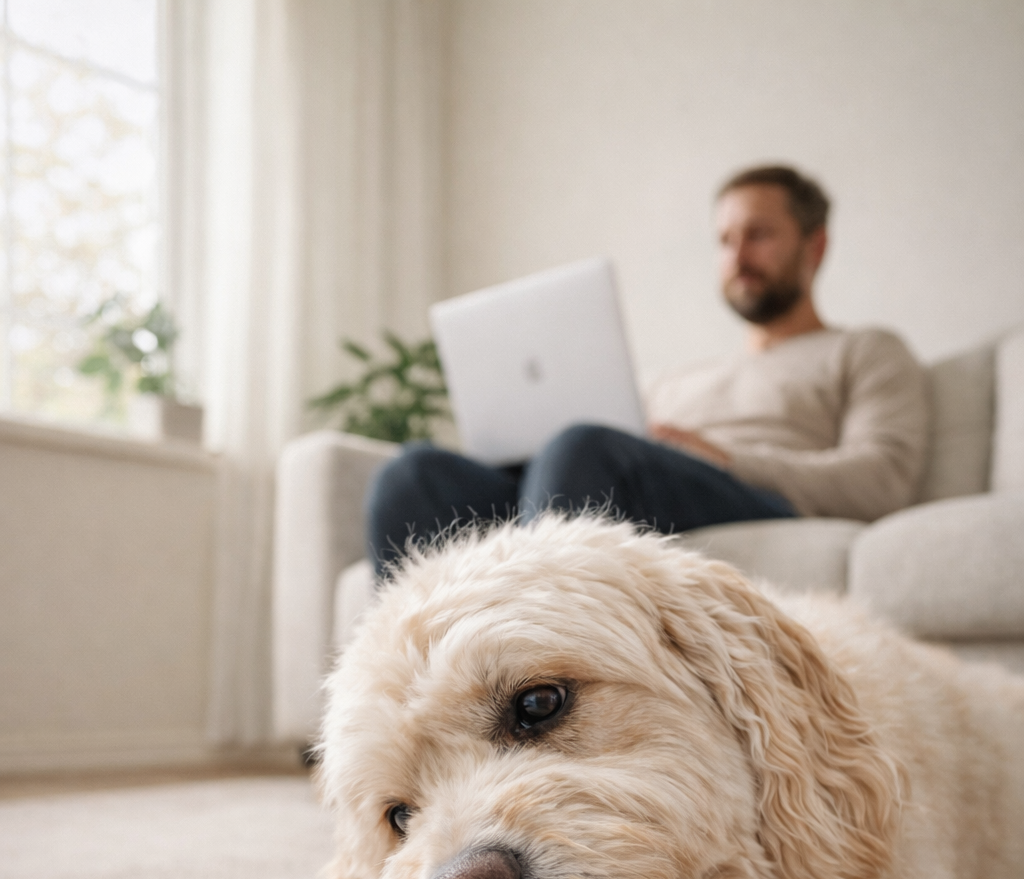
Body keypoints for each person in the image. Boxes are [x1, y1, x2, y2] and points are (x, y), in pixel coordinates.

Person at [365, 164, 928, 576]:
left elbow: (879, 482)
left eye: (759, 235)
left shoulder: (864, 349)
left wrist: (723, 456)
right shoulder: (672, 380)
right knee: (414, 475)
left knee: (583, 448)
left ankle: (539, 663)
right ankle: (400, 711)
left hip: (750, 495)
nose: (737, 256)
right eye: (725, 240)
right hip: (608, 481)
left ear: (816, 246)